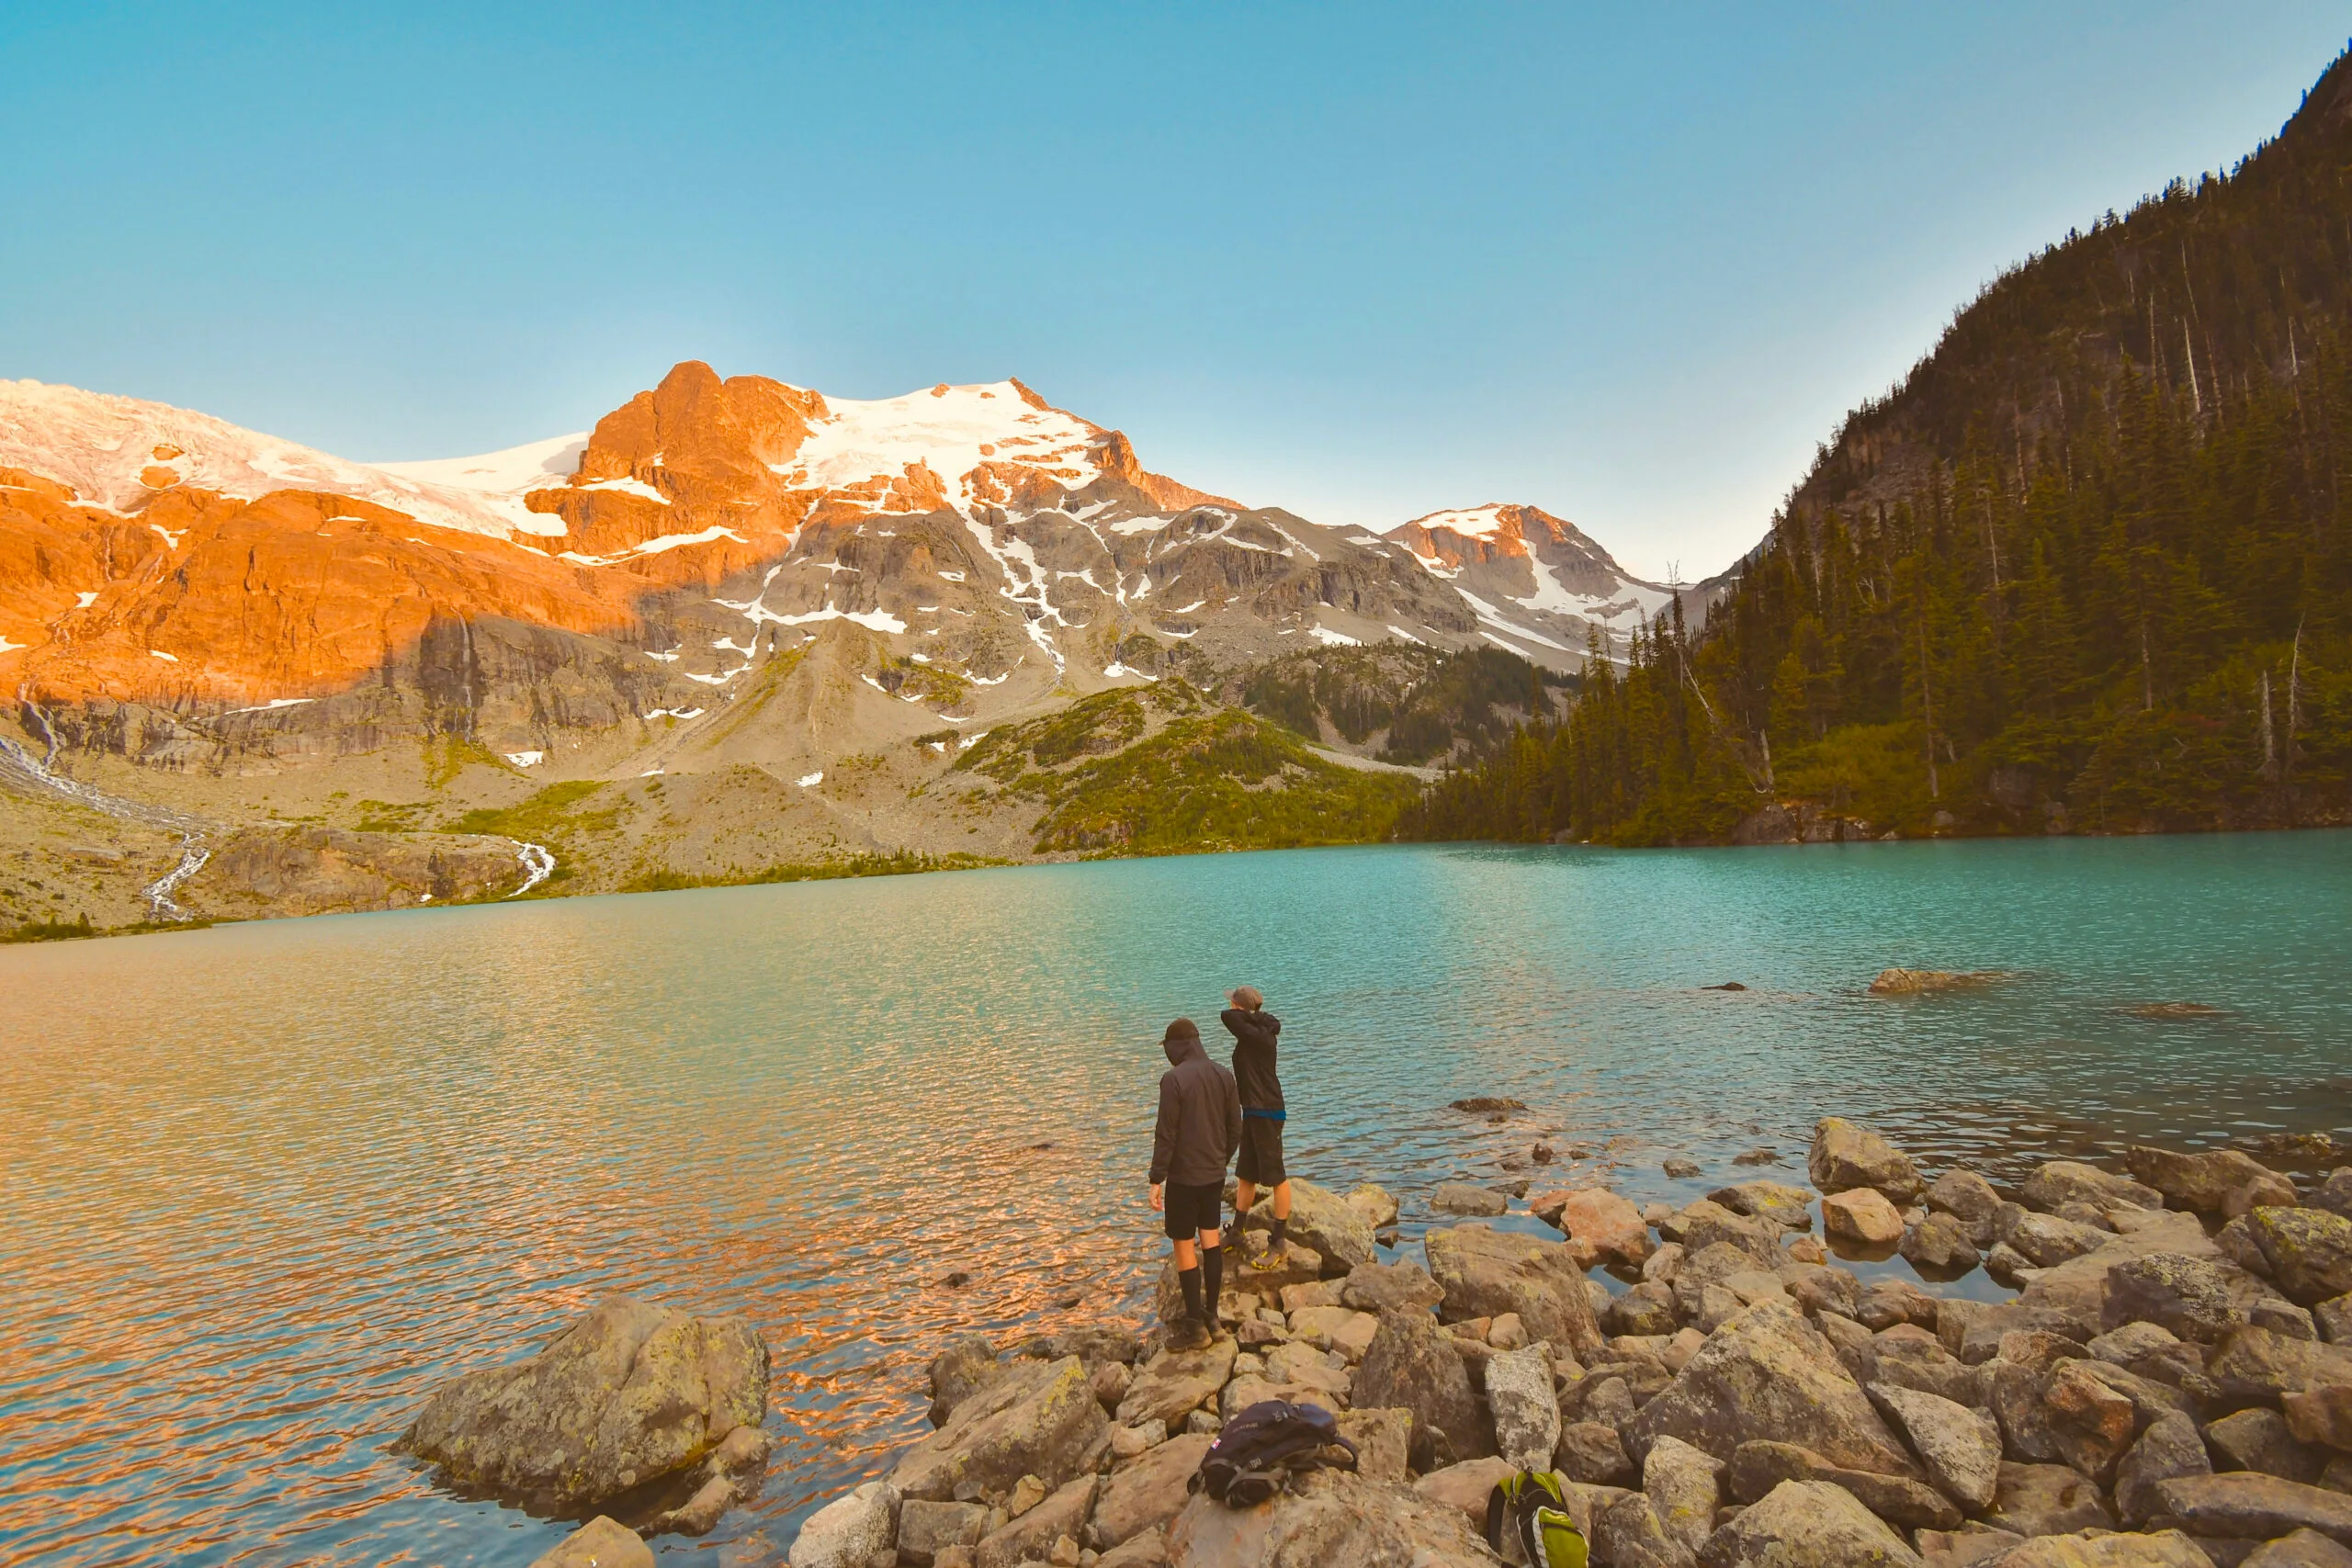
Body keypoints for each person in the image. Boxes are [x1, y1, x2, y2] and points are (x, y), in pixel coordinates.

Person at [1148, 1016, 1242, 1349]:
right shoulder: (1223, 1075)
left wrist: (1156, 1178)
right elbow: (1236, 1128)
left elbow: (1166, 1134)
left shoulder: (1173, 1080)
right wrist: (1221, 1159)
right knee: (1211, 1240)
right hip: (1213, 1175)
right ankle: (1213, 1318)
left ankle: (1195, 1328)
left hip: (1184, 1179)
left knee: (1184, 1244)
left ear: (1177, 1047)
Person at [1221, 985, 1291, 1272]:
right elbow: (1245, 1018)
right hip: (1252, 1111)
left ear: (1240, 1007)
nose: (1230, 1006)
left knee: (1276, 1176)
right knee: (1246, 1174)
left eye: (1234, 1003)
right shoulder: (1256, 1030)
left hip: (1267, 1111)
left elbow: (1227, 1017)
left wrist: (1250, 1014)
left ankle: (1279, 1243)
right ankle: (1237, 1232)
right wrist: (1256, 1015)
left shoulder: (1257, 1035)